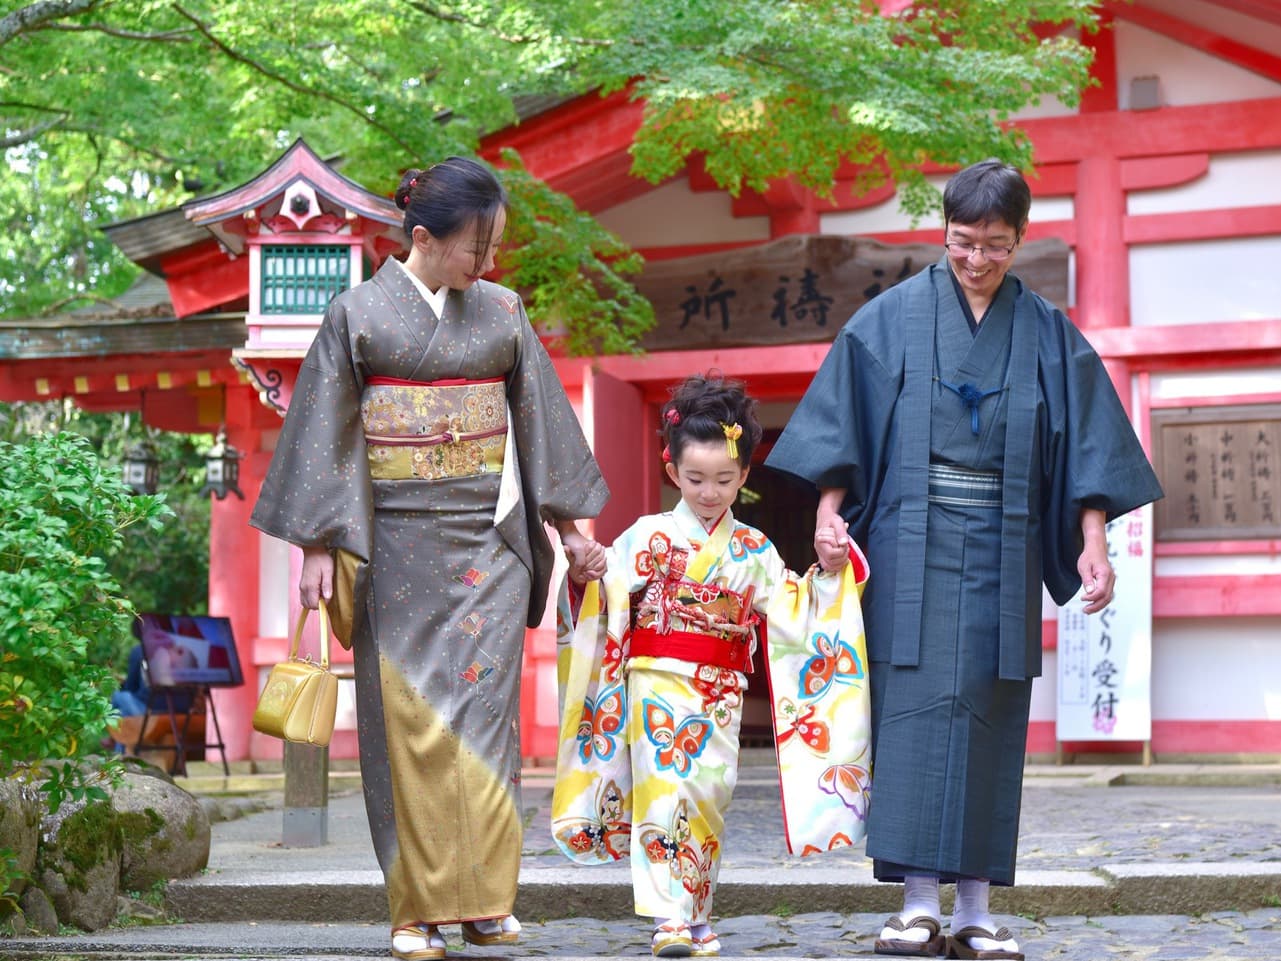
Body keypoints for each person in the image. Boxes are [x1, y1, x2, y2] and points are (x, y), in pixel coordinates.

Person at [764, 159, 1164, 961]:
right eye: (961, 243)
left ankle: (976, 908)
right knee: (910, 712)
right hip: (910, 542)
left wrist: (1093, 541)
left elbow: (1085, 442)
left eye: (995, 246)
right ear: (942, 232)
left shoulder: (1048, 333)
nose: (977, 260)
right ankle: (916, 904)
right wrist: (829, 514)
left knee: (989, 711)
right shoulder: (891, 320)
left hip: (1004, 544)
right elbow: (845, 427)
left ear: (1019, 239)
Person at [250, 156, 609, 961]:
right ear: (422, 237)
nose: (484, 265)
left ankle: (485, 900)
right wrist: (317, 542)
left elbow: (539, 426)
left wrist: (571, 532)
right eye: (472, 249)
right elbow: (324, 438)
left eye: (491, 249)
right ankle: (415, 907)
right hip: (396, 546)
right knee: (407, 726)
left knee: (485, 724)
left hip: (489, 543)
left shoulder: (504, 314)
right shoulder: (357, 315)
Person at [551, 373, 871, 958]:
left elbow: (796, 609)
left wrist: (827, 570)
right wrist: (585, 573)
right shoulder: (647, 535)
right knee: (664, 788)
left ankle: (695, 912)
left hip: (719, 692)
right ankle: (668, 917)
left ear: (745, 475)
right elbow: (605, 598)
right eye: (695, 478)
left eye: (725, 479)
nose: (709, 491)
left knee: (707, 795)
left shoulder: (753, 549)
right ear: (672, 471)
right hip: (656, 683)